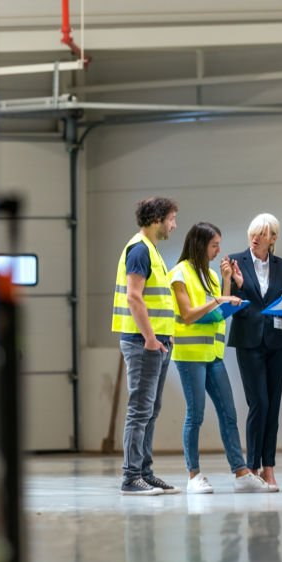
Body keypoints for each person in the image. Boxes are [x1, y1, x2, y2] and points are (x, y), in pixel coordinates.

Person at [170, 222, 272, 494]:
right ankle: (194, 475)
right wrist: (218, 301)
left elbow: (219, 308)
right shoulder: (179, 273)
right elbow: (189, 314)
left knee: (229, 413)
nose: (218, 250)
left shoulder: (212, 276)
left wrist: (227, 285)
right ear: (200, 244)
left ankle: (241, 473)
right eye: (214, 245)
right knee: (196, 415)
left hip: (213, 354)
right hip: (190, 355)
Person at [226, 213, 282, 491]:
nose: (256, 237)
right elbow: (228, 300)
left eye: (262, 233)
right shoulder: (235, 261)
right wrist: (234, 283)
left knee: (272, 407)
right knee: (258, 402)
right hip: (248, 341)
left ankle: (268, 467)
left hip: (277, 342)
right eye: (253, 232)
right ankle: (251, 467)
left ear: (273, 238)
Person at [111, 197, 182, 495]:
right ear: (157, 220)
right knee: (140, 410)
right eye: (171, 219)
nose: (174, 225)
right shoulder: (140, 250)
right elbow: (134, 297)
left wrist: (164, 336)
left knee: (150, 409)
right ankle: (131, 477)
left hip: (157, 342)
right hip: (143, 342)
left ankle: (145, 473)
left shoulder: (152, 251)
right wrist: (151, 337)